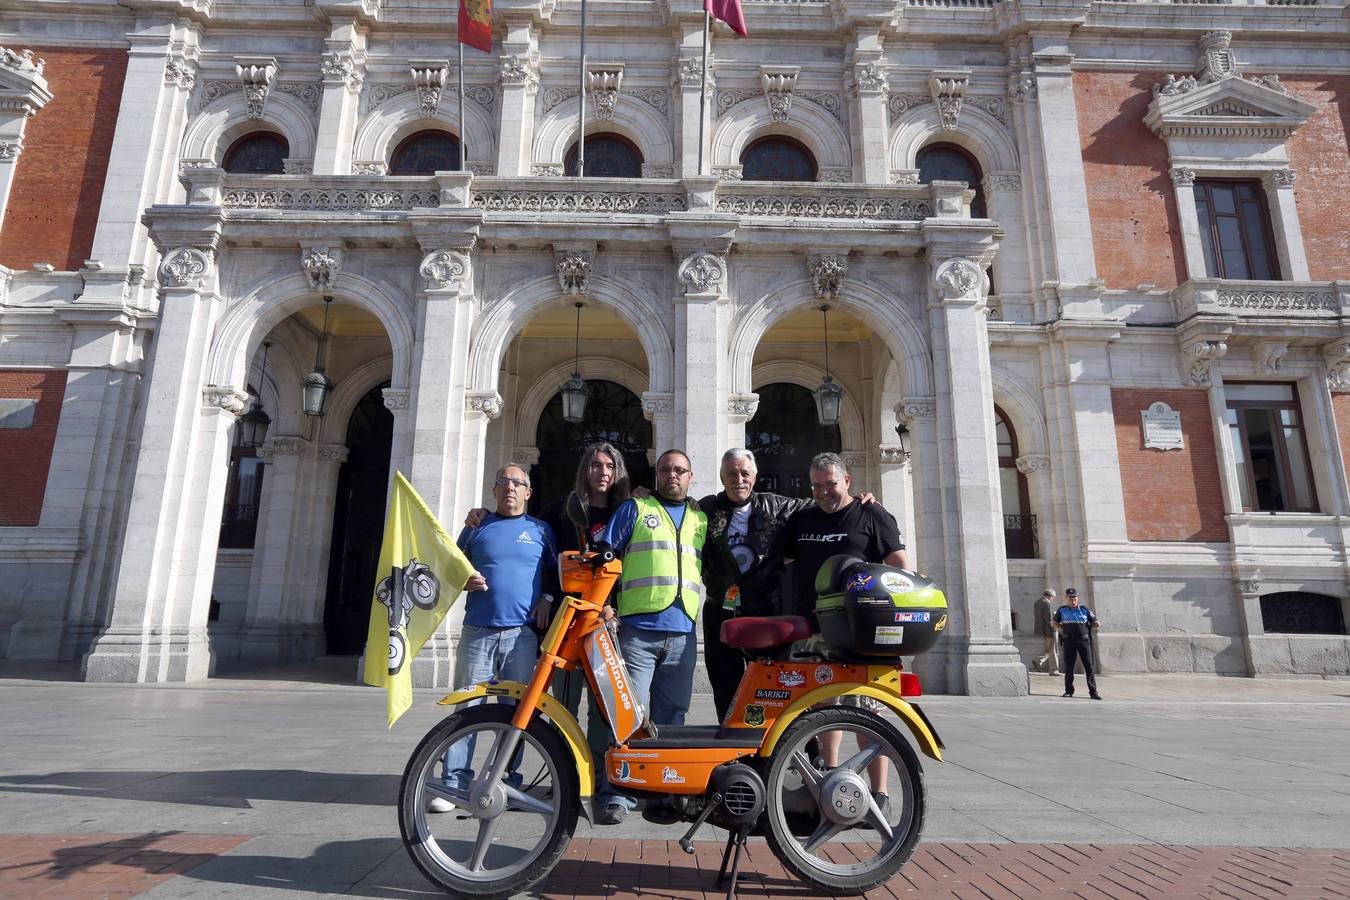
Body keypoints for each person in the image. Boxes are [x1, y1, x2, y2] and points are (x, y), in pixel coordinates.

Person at [700, 448, 877, 723]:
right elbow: (671, 506)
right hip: (718, 610)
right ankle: (731, 743)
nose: (739, 479)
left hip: (763, 611)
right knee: (725, 686)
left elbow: (825, 500)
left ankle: (784, 744)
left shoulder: (777, 506)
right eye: (732, 474)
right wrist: (640, 493)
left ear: (755, 476)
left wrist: (857, 500)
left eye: (745, 473)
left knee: (774, 687)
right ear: (722, 477)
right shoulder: (705, 508)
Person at [781, 452, 910, 819]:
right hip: (815, 629)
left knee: (867, 711)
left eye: (831, 484)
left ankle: (880, 795)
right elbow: (785, 562)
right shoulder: (802, 519)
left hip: (861, 630)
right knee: (824, 708)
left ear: (847, 481)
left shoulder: (872, 515)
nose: (824, 492)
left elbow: (900, 565)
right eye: (816, 486)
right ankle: (830, 785)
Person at [434, 463, 558, 813]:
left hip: (521, 635)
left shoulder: (541, 530)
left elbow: (555, 572)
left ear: (528, 492)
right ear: (494, 489)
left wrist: (547, 598)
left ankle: (507, 781)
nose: (510, 487)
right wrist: (464, 580)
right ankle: (453, 783)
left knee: (516, 712)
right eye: (503, 481)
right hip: (478, 630)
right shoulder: (477, 526)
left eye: (518, 483)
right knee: (466, 707)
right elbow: (452, 567)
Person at [595, 448, 707, 824]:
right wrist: (605, 604)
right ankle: (618, 794)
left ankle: (662, 792)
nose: (672, 475)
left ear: (690, 476)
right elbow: (605, 554)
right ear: (656, 474)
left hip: (683, 631)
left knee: (672, 717)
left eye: (679, 470)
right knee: (629, 715)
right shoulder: (635, 508)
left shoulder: (700, 517)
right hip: (638, 632)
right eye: (665, 470)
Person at [1054, 587, 1101, 700]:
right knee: (1069, 666)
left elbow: (1095, 623)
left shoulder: (1084, 610)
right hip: (1069, 640)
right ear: (1066, 598)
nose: (1073, 600)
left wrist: (1093, 626)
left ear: (1077, 598)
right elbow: (1054, 623)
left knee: (1089, 666)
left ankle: (1093, 692)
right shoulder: (1061, 610)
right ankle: (1069, 691)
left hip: (1083, 641)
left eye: (1074, 598)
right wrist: (1063, 629)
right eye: (1070, 598)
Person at [1033, 589, 1059, 675]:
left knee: (1049, 648)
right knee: (1053, 650)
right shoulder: (1047, 603)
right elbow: (1049, 619)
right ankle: (1054, 670)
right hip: (1049, 630)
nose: (1052, 599)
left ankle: (1038, 660)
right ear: (1050, 596)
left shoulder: (1037, 602)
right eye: (1053, 597)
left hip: (1041, 629)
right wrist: (1056, 627)